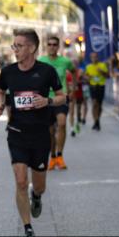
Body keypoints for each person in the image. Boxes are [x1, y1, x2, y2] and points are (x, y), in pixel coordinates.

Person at [0, 29, 65, 237]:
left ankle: (38, 196)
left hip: (41, 135)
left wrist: (48, 102)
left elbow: (63, 97)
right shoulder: (7, 72)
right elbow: (0, 91)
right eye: (13, 45)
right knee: (21, 181)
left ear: (32, 48)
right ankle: (27, 227)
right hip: (16, 133)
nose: (15, 49)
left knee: (39, 185)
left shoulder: (47, 72)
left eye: (19, 45)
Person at [38, 35, 74, 169]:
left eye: (54, 44)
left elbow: (74, 72)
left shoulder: (65, 61)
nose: (52, 47)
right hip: (46, 100)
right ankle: (52, 157)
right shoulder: (41, 61)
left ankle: (60, 155)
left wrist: (73, 89)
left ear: (58, 47)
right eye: (50, 44)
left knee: (62, 123)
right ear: (46, 46)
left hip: (61, 98)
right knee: (50, 131)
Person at [84, 52, 109, 131]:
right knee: (94, 103)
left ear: (97, 57)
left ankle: (97, 120)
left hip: (101, 86)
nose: (94, 58)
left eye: (95, 57)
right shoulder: (88, 67)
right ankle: (96, 121)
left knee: (100, 105)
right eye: (92, 57)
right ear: (91, 58)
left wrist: (102, 71)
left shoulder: (102, 65)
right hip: (93, 86)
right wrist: (88, 78)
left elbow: (108, 76)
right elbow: (86, 77)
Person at [70, 55, 86, 134]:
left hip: (79, 91)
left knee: (79, 108)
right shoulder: (67, 72)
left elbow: (85, 80)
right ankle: (72, 128)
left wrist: (80, 80)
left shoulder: (80, 71)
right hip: (71, 93)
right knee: (72, 110)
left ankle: (78, 120)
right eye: (73, 63)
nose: (74, 65)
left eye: (76, 63)